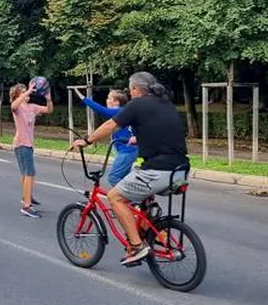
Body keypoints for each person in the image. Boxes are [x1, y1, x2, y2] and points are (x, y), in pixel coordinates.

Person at [73, 72, 189, 266]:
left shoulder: (136, 105)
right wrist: (138, 138)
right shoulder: (166, 104)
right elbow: (162, 131)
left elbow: (110, 126)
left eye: (130, 89)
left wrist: (86, 140)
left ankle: (136, 246)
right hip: (180, 171)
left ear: (135, 89)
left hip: (157, 171)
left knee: (115, 197)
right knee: (142, 198)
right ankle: (148, 225)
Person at [75, 88, 138, 188]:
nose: (106, 100)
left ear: (116, 102)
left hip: (127, 151)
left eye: (109, 98)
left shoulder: (118, 111)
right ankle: (140, 194)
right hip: (128, 150)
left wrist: (83, 98)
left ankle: (130, 196)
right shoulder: (123, 111)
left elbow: (100, 109)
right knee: (124, 178)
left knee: (113, 177)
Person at [10, 80, 53, 218]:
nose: (27, 94)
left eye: (26, 91)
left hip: (29, 144)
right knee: (30, 173)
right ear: (17, 95)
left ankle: (26, 197)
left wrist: (48, 98)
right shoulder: (18, 108)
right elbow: (13, 106)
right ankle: (26, 206)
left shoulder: (32, 107)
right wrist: (27, 91)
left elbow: (49, 110)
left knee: (26, 174)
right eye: (22, 92)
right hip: (21, 144)